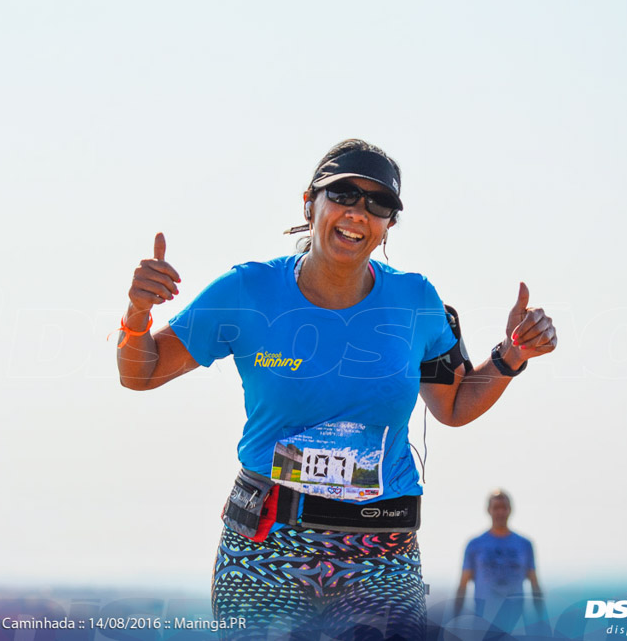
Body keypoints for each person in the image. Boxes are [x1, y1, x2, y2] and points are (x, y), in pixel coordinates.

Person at [117, 139, 557, 640]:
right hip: (267, 548)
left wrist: (511, 356)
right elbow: (141, 371)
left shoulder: (416, 301)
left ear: (389, 223)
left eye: (378, 204)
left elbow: (453, 405)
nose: (358, 213)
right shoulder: (248, 291)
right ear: (310, 202)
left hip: (381, 557)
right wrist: (137, 313)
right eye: (344, 194)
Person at [453, 490, 545, 637]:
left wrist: (542, 620)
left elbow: (535, 584)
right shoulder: (475, 545)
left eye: (504, 507)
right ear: (489, 510)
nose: (500, 512)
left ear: (510, 510)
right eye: (496, 508)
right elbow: (463, 585)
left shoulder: (524, 544)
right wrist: (455, 621)